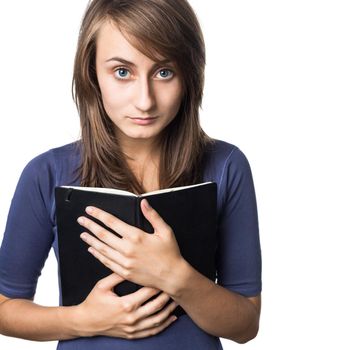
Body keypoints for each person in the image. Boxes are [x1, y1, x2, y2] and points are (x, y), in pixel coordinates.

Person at [0, 0, 262, 348]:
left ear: (190, 74)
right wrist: (82, 319)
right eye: (122, 72)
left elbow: (244, 325)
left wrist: (174, 275)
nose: (145, 100)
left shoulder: (226, 165)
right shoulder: (47, 174)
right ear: (92, 72)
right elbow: (4, 307)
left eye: (164, 72)